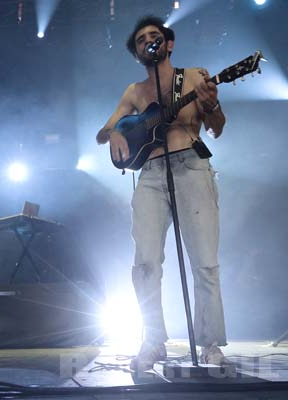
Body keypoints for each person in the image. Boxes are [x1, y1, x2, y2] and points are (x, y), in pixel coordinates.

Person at [96, 16, 230, 372]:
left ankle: (211, 344)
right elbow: (103, 132)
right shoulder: (134, 92)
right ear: (138, 53)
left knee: (204, 262)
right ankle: (153, 342)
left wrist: (212, 105)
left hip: (191, 166)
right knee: (145, 265)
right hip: (151, 175)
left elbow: (217, 129)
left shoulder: (196, 78)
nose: (149, 41)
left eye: (155, 36)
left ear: (169, 44)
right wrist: (114, 134)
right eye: (142, 39)